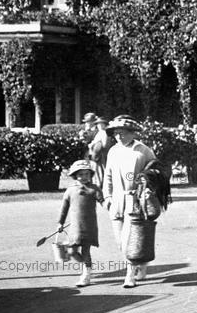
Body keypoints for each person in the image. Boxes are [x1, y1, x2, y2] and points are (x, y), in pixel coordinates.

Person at [103, 115, 156, 288]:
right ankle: (141, 263)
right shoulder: (113, 151)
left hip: (136, 200)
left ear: (132, 133)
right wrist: (107, 196)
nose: (119, 137)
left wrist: (148, 187)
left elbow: (156, 172)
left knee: (129, 240)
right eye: (116, 133)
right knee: (120, 241)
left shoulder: (143, 151)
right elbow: (108, 176)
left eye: (123, 133)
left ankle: (130, 275)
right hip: (116, 200)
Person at [57, 159, 104, 287]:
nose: (84, 177)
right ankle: (86, 267)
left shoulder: (94, 189)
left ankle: (86, 274)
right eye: (81, 174)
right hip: (75, 227)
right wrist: (60, 222)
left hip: (89, 226)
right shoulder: (70, 190)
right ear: (75, 176)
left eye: (86, 174)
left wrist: (111, 206)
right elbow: (64, 207)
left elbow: (103, 201)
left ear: (90, 175)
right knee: (72, 251)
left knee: (86, 251)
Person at [87, 116, 113, 188]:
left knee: (101, 171)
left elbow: (105, 145)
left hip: (101, 156)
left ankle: (101, 186)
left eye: (102, 124)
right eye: (98, 124)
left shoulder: (105, 133)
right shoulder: (99, 133)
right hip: (96, 155)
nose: (100, 126)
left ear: (105, 125)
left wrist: (95, 144)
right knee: (97, 172)